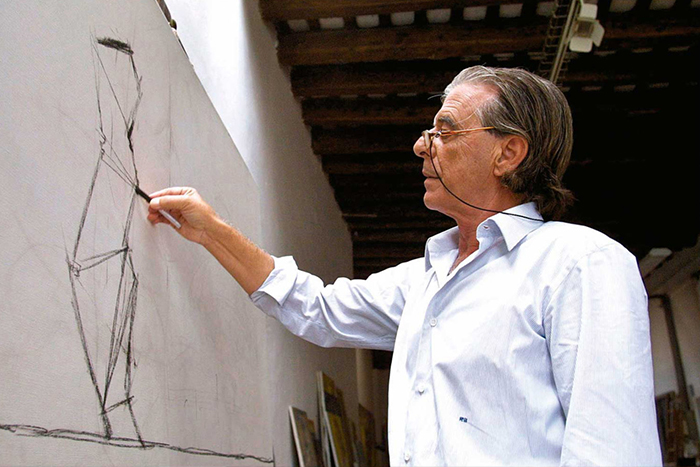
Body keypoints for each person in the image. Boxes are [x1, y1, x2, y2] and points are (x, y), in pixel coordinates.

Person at [147, 66, 661, 465]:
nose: (421, 146)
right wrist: (211, 231)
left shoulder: (580, 263)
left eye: (445, 131)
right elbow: (316, 308)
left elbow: (613, 452)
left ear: (508, 153)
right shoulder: (425, 280)